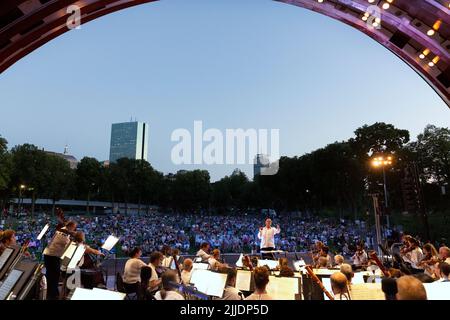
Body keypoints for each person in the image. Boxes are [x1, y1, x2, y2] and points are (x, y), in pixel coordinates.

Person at [43, 220, 77, 300]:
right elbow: (68, 244)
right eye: (74, 228)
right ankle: (52, 295)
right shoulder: (63, 233)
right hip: (52, 255)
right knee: (54, 275)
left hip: (50, 255)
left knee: (52, 274)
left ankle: (51, 293)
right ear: (71, 226)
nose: (74, 230)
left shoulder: (63, 230)